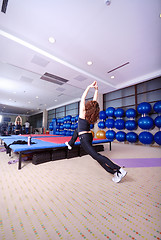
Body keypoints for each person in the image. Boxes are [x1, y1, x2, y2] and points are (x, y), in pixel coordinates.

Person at [65, 81, 127, 183]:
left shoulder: (83, 113)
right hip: (89, 136)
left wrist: (89, 87)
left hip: (84, 138)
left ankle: (119, 169)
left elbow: (82, 99)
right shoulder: (92, 114)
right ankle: (115, 173)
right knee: (96, 157)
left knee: (97, 156)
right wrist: (96, 90)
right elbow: (95, 101)